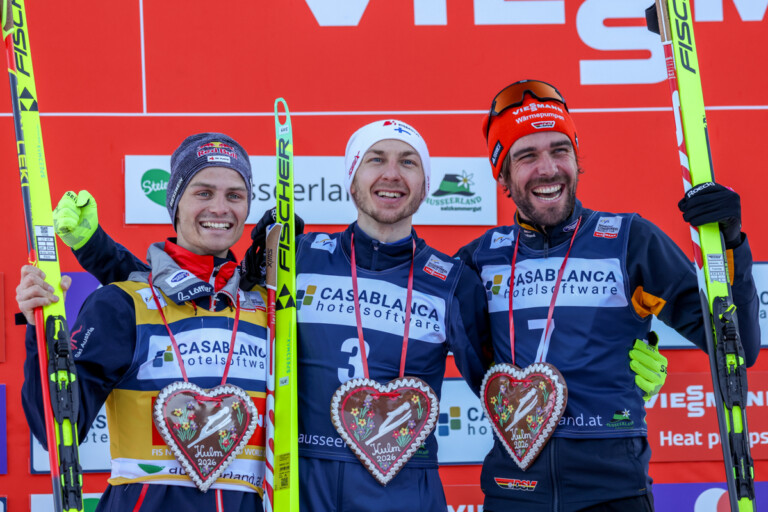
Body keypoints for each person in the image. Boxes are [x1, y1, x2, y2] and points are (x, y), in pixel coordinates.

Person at [44, 120, 493, 511]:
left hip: (402, 496)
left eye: (409, 162)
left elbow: (495, 384)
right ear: (351, 177)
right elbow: (182, 296)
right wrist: (97, 252)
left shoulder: (451, 281)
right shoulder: (301, 259)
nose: (391, 174)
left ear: (427, 181)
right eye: (375, 159)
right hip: (303, 497)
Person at [455, 79, 761, 511]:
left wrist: (730, 246)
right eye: (526, 155)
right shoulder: (478, 261)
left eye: (560, 150)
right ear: (502, 173)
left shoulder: (629, 240)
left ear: (578, 158)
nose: (548, 168)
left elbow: (739, 347)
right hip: (514, 492)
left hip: (614, 492)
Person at [16, 133, 269, 511]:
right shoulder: (122, 305)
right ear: (175, 203)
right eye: (203, 193)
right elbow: (55, 429)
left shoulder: (270, 307)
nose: (220, 208)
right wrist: (43, 330)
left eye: (235, 195)